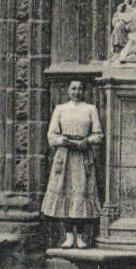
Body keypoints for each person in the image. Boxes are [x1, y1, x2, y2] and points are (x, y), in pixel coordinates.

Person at [41, 78, 103, 248]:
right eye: (73, 88)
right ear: (68, 90)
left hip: (82, 156)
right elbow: (51, 136)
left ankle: (81, 236)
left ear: (84, 91)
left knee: (81, 191)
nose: (76, 92)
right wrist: (62, 140)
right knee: (64, 190)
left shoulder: (90, 109)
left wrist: (87, 141)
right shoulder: (60, 109)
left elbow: (98, 134)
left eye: (80, 88)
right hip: (65, 155)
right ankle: (68, 235)